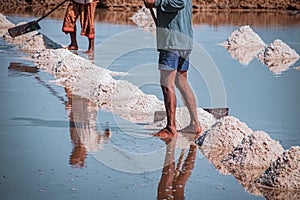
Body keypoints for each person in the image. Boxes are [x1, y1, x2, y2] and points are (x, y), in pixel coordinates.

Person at [144, 0, 202, 136]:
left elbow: (178, 2)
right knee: (181, 82)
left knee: (166, 83)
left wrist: (155, 3)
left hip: (172, 41)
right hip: (184, 40)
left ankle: (171, 127)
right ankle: (195, 124)